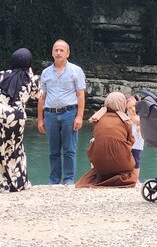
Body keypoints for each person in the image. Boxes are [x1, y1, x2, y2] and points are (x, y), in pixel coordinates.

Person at [37, 39, 86, 185]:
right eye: (56, 50)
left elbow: (80, 95)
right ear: (52, 53)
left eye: (61, 50)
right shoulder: (45, 73)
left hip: (69, 113)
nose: (58, 53)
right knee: (53, 151)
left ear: (68, 53)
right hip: (50, 114)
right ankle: (54, 180)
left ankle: (69, 180)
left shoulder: (76, 71)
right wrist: (40, 119)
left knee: (69, 150)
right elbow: (42, 98)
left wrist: (79, 116)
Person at [75, 91, 137, 188]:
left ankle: (105, 174)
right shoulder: (126, 121)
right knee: (130, 169)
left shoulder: (97, 119)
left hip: (101, 166)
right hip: (121, 164)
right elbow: (131, 141)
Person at [0, 48, 40, 191]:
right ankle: (18, 183)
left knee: (1, 149)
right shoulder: (31, 79)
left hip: (1, 113)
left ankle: (2, 183)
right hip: (17, 118)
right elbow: (38, 95)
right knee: (15, 150)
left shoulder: (2, 75)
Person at [125, 95, 143, 173]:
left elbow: (142, 123)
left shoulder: (140, 116)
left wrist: (140, 126)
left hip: (137, 143)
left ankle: (135, 178)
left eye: (134, 106)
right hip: (128, 143)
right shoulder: (127, 117)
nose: (133, 109)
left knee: (136, 161)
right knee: (127, 161)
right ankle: (128, 176)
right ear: (126, 109)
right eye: (130, 108)